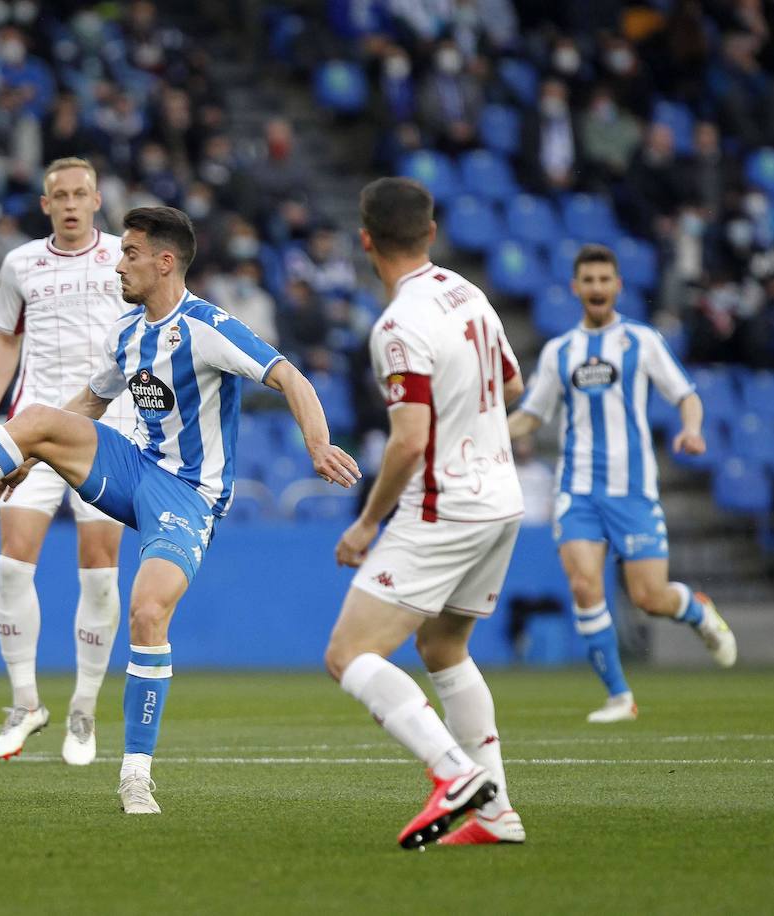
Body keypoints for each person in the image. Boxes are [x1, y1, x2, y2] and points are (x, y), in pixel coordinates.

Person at [0, 206, 359, 814]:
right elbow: (88, 403)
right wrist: (25, 455)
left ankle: (135, 774)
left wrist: (316, 441)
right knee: (40, 418)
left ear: (164, 262)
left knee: (148, 613)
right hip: (135, 470)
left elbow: (291, 378)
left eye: (131, 254)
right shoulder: (128, 334)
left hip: (189, 494)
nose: (119, 264)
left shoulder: (207, 327)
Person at [325, 177, 526, 849]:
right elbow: (513, 382)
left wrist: (365, 524)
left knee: (349, 652)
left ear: (365, 240)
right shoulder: (469, 293)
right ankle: (497, 815)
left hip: (446, 506)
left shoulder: (396, 325)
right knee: (443, 646)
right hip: (501, 499)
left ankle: (453, 773)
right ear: (431, 232)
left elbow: (409, 440)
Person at [507, 244, 736, 724]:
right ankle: (618, 696)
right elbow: (531, 416)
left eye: (603, 280)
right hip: (578, 489)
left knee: (649, 598)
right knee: (584, 584)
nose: (595, 288)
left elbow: (686, 395)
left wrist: (691, 430)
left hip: (633, 489)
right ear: (575, 288)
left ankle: (696, 609)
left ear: (617, 286)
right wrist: (487, 431)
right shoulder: (559, 351)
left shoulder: (641, 340)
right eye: (587, 280)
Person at [0, 157, 138, 765]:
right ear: (45, 205)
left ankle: (85, 710)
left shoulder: (126, 256)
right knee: (13, 567)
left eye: (80, 194)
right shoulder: (20, 264)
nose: (70, 204)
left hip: (109, 431)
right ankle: (25, 704)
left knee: (98, 569)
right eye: (59, 196)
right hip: (33, 431)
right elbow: (6, 339)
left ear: (97, 200)